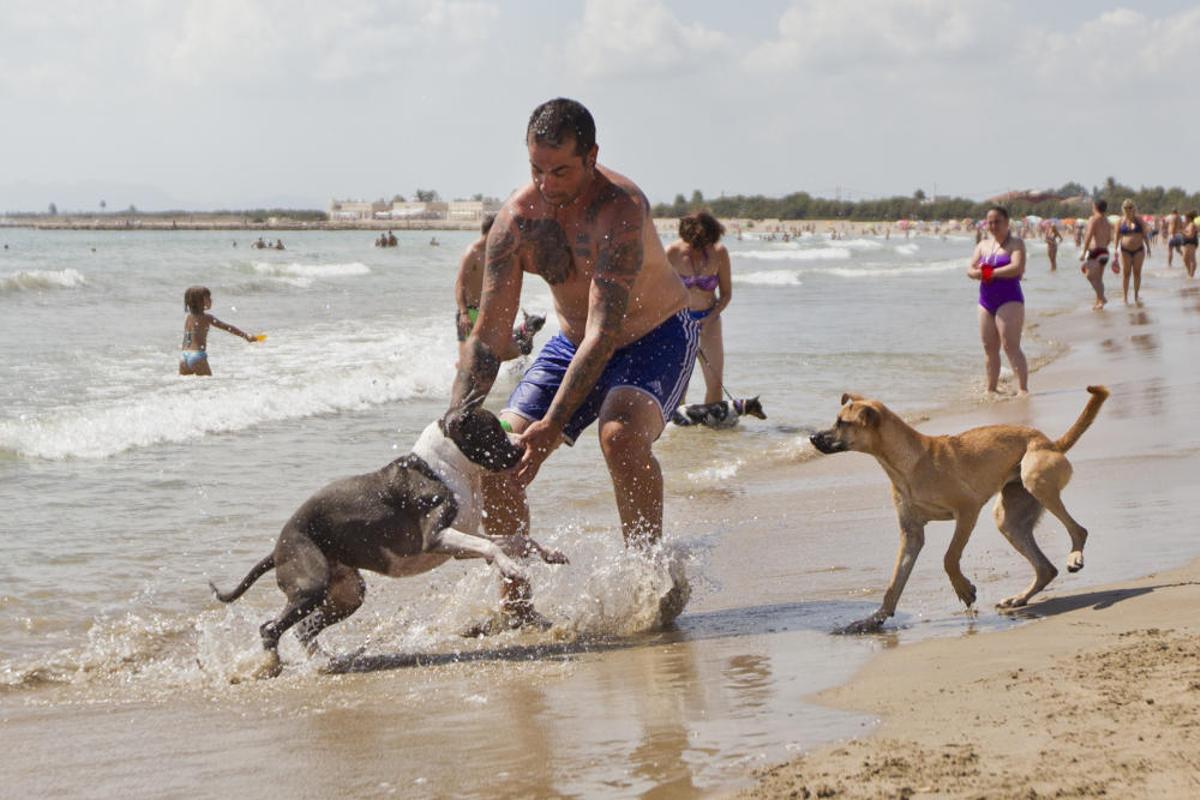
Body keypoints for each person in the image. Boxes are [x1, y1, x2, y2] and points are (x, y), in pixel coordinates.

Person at [450, 98, 695, 628]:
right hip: (571, 339)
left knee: (619, 435)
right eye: (537, 169)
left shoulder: (621, 208)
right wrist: (455, 418)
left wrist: (555, 425)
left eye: (561, 170)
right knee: (499, 451)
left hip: (654, 336)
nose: (547, 183)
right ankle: (515, 608)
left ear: (591, 157)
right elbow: (488, 336)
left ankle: (649, 579)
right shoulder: (517, 222)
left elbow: (606, 331)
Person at [666, 211, 732, 404]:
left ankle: (712, 431)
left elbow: (726, 294)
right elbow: (657, 291)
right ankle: (678, 432)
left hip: (709, 320)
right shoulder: (672, 252)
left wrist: (710, 317)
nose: (704, 248)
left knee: (715, 382)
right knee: (679, 384)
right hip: (678, 322)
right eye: (699, 243)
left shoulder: (719, 252)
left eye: (708, 242)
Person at [968, 206, 1028, 395]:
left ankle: (1023, 389)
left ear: (1006, 222)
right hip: (986, 300)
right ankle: (991, 389)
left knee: (1010, 345)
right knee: (989, 347)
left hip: (1009, 299)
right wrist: (977, 273)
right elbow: (969, 268)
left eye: (997, 221)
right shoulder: (983, 245)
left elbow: (1017, 268)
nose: (993, 225)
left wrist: (990, 273)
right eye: (990, 222)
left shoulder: (1016, 243)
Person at [179, 286, 257, 376]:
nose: (211, 300)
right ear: (200, 302)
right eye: (208, 298)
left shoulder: (188, 318)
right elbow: (227, 327)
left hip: (184, 357)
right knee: (207, 386)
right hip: (197, 356)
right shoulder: (207, 318)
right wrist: (245, 336)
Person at [454, 214, 495, 347]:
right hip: (469, 313)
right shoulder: (472, 252)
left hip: (485, 313)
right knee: (467, 361)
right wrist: (463, 313)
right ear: (491, 230)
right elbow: (459, 284)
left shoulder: (492, 252)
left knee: (489, 357)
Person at [1079, 199, 1114, 311]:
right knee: (1099, 279)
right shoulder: (1107, 221)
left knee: (1089, 275)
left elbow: (1089, 236)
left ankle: (1102, 298)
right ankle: (1099, 302)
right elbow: (1109, 238)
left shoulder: (1094, 219)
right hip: (1105, 252)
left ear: (1095, 207)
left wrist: (1084, 252)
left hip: (1096, 251)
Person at [1115, 199, 1150, 305]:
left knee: (1137, 273)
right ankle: (1125, 297)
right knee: (1126, 273)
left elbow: (1145, 235)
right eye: (1126, 207)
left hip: (1139, 250)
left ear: (1134, 208)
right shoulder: (1120, 221)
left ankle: (1136, 295)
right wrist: (1115, 250)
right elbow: (1116, 236)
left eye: (1130, 207)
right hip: (1125, 250)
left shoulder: (1139, 220)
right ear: (1123, 209)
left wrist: (1148, 247)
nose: (1128, 209)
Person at [1181, 210, 1198, 279]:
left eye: (1186, 217)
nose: (1185, 219)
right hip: (1186, 242)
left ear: (1189, 218)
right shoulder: (1188, 224)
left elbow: (1190, 235)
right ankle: (1189, 272)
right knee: (1185, 259)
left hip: (1191, 242)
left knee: (1192, 259)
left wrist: (1183, 232)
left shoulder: (1192, 224)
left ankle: (1191, 274)